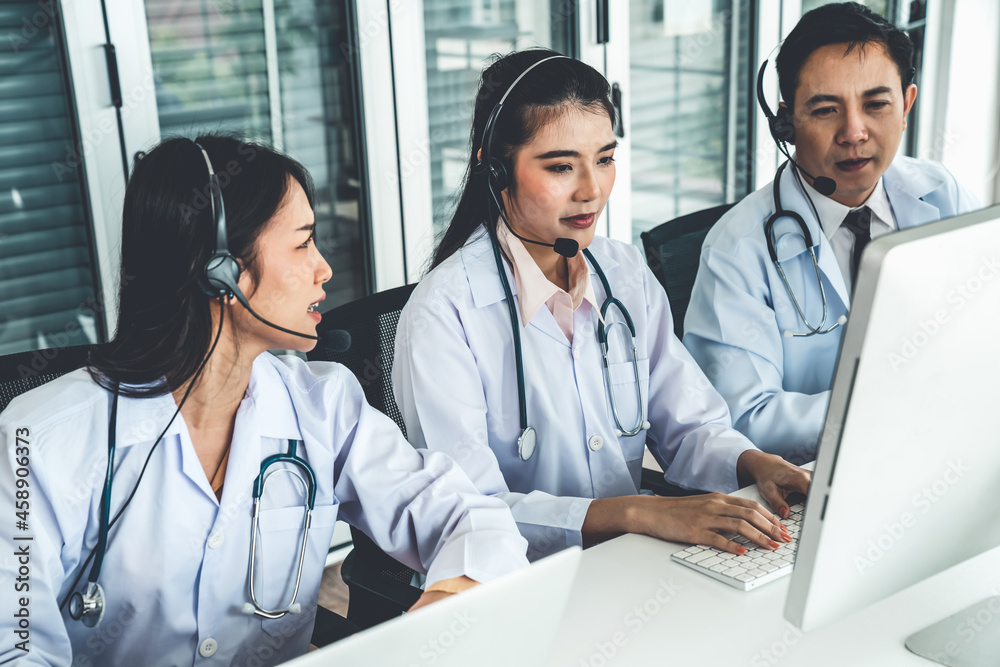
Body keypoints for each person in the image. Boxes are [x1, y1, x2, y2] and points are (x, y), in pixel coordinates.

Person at [0, 134, 528, 666]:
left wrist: (440, 604)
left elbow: (466, 515)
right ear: (220, 270)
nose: (324, 269)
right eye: (303, 244)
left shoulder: (322, 405)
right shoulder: (34, 444)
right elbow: (13, 646)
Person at [392, 49, 810, 563]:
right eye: (562, 166)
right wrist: (634, 512)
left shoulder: (624, 273)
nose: (592, 190)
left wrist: (753, 463)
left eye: (605, 159)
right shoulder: (444, 314)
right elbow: (470, 512)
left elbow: (691, 426)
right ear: (495, 170)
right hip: (513, 586)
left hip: (627, 561)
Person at [683, 2, 979, 463]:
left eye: (876, 104)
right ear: (787, 123)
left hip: (943, 454)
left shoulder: (942, 195)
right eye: (825, 110)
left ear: (907, 106)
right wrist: (888, 410)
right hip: (816, 480)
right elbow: (743, 419)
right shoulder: (736, 250)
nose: (854, 132)